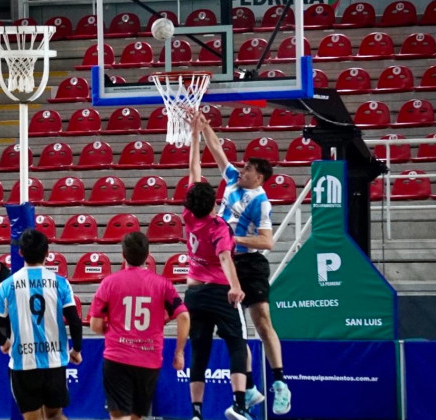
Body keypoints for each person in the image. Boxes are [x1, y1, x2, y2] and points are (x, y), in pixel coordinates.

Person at [197, 112, 291, 415]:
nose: (243, 168)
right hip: (227, 265)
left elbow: (268, 242)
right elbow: (216, 151)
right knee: (235, 331)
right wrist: (203, 125)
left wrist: (234, 238)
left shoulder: (261, 201)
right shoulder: (233, 181)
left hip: (250, 264)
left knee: (262, 323)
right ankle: (249, 389)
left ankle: (280, 383)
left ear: (259, 177)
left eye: (249, 168)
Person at [184, 113, 251, 420]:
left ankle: (196, 412)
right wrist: (236, 286)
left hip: (194, 293)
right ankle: (238, 404)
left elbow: (193, 170)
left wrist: (195, 137)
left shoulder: (188, 219)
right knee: (237, 343)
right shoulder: (218, 226)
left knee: (199, 352)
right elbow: (225, 258)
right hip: (219, 293)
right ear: (213, 203)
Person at [89, 232, 190, 420]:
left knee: (120, 417)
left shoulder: (109, 283)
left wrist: (114, 331)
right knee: (136, 416)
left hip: (117, 357)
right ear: (148, 254)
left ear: (123, 254)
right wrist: (179, 352)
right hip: (149, 359)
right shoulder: (163, 285)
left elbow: (95, 325)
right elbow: (183, 316)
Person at [0, 229, 83, 420]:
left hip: (24, 363)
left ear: (20, 253)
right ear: (47, 253)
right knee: (55, 415)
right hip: (54, 361)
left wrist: (4, 343)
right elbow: (74, 321)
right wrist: (76, 350)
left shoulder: (7, 285)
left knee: (33, 418)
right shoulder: (61, 283)